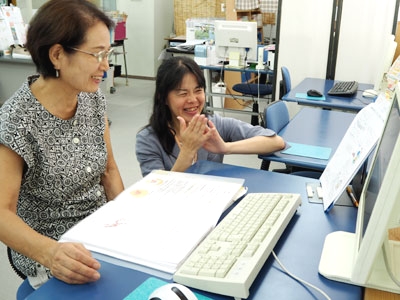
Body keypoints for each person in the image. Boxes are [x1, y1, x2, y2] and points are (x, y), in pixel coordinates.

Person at [0, 0, 124, 289]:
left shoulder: (92, 99)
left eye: (108, 53)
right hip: (53, 252)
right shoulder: (16, 120)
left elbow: (110, 171)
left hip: (101, 233)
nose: (105, 66)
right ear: (57, 55)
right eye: (96, 54)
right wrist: (52, 253)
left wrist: (125, 220)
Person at [136, 56, 285, 177]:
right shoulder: (148, 139)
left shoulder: (213, 124)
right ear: (163, 98)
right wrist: (188, 150)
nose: (193, 100)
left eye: (198, 90)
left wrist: (226, 148)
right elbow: (156, 193)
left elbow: (276, 142)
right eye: (183, 93)